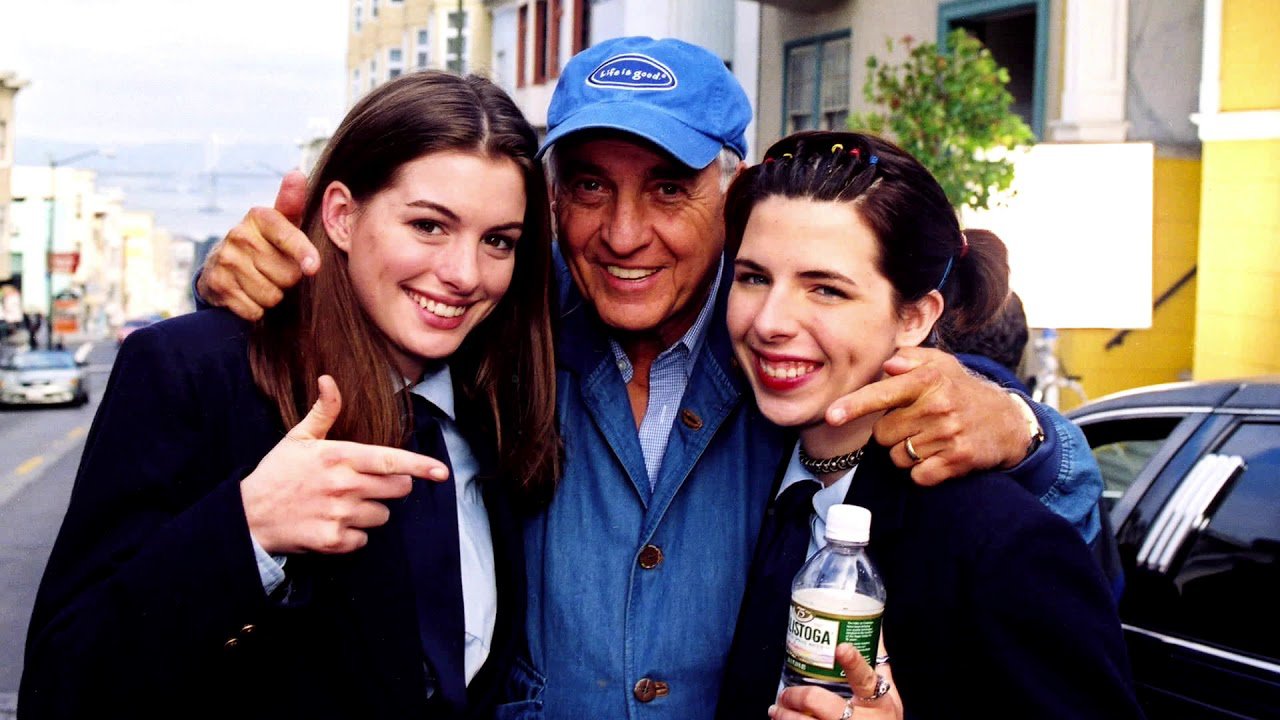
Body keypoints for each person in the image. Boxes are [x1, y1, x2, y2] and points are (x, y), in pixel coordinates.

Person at [193, 37, 1105, 720]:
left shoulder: (791, 352)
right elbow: (372, 313)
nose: (624, 234)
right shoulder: (502, 321)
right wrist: (265, 278)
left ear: (731, 184)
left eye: (669, 188)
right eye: (589, 187)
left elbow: (981, 441)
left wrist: (1029, 435)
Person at [19, 71, 558, 720]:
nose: (465, 274)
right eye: (428, 226)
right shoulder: (195, 374)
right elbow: (61, 685)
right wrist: (245, 530)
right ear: (339, 214)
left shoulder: (498, 407)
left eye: (497, 240)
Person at [720, 131, 1142, 720]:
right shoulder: (731, 476)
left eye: (825, 289)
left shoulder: (999, 541)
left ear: (915, 316)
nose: (770, 321)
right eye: (754, 278)